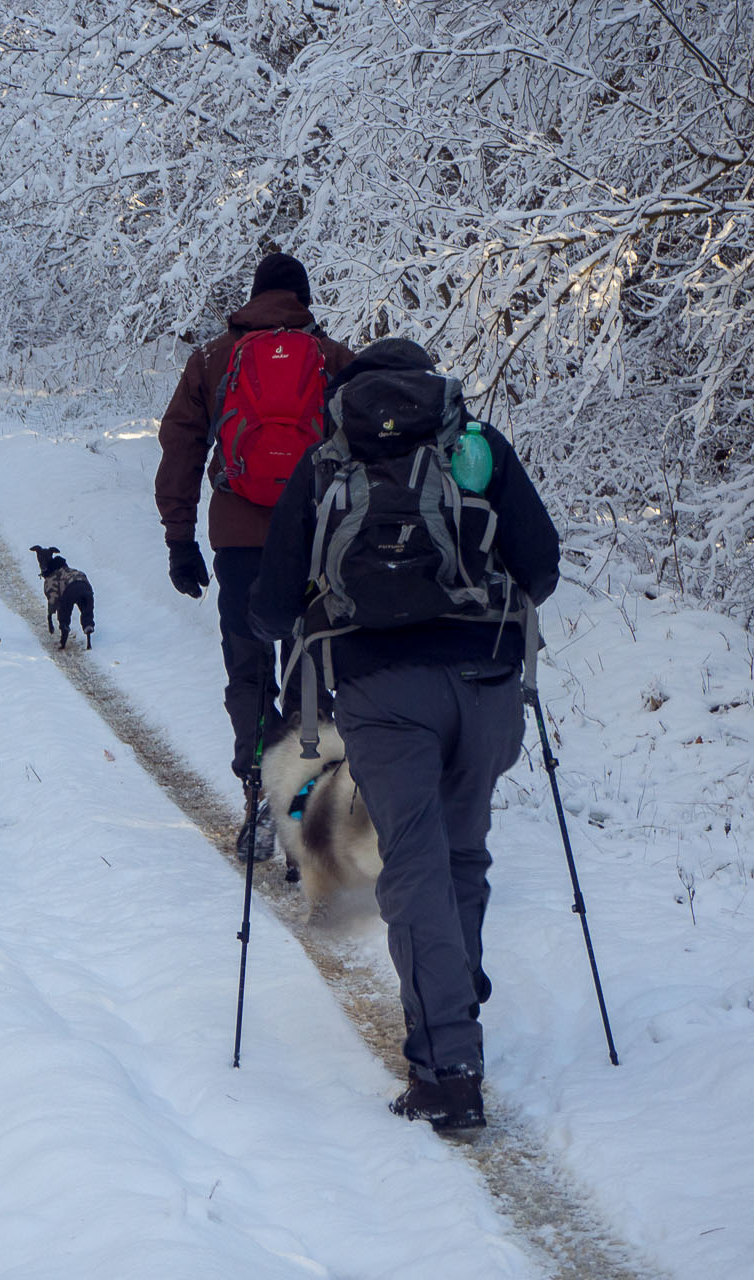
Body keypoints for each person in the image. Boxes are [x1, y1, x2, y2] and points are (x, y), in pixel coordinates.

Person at [247, 337, 560, 1130]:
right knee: (462, 849)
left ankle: (447, 1065)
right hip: (486, 683)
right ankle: (454, 986)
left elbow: (269, 604)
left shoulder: (327, 463)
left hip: (382, 694)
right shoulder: (478, 449)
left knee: (412, 861)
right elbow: (543, 564)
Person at [155, 252, 354, 832]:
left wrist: (179, 538)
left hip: (239, 541)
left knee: (248, 667)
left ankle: (256, 783)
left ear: (253, 296)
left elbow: (181, 447)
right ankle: (305, 797)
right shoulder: (333, 359)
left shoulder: (214, 359)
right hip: (315, 542)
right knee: (309, 666)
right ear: (305, 300)